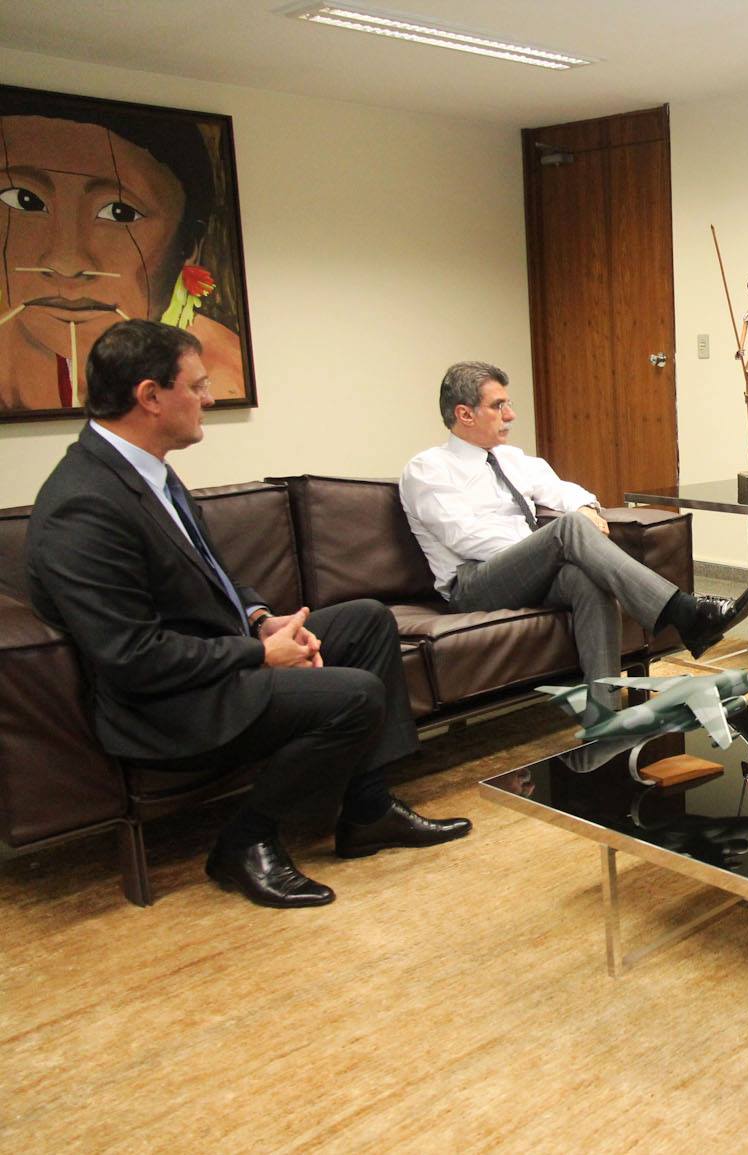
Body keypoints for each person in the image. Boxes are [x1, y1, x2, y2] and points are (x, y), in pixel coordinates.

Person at [25, 320, 467, 909]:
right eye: (197, 386)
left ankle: (366, 811)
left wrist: (261, 619)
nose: (208, 399)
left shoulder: (146, 471)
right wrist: (261, 654)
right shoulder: (85, 504)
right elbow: (132, 657)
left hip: (217, 661)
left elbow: (209, 572)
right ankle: (245, 841)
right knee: (355, 696)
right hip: (167, 705)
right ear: (151, 396)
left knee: (366, 620)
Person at [400, 362, 748, 688]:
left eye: (508, 404)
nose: (510, 415)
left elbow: (562, 490)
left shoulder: (511, 458)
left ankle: (604, 712)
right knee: (567, 530)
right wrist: (545, 547)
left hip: (526, 572)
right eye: (498, 406)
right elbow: (464, 538)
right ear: (464, 414)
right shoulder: (427, 470)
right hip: (473, 584)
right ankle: (684, 611)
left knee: (586, 578)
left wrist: (586, 507)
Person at [1, 90, 247, 411]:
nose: (66, 263)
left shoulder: (224, 374)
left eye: (120, 212)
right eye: (24, 200)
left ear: (188, 246)